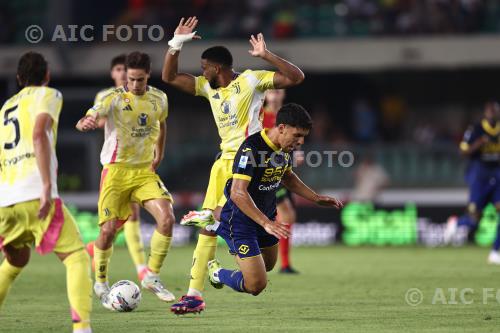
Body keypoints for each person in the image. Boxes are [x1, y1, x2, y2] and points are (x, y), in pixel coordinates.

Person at [162, 16, 305, 314]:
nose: (201, 73)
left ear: (217, 68)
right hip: (223, 164)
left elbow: (295, 77)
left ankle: (215, 227)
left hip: (250, 162)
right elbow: (170, 77)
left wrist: (266, 56)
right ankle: (194, 294)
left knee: (252, 250)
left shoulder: (251, 80)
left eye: (204, 68)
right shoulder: (208, 87)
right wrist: (175, 43)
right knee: (208, 231)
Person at [188, 103, 342, 296]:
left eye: (303, 136)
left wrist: (316, 198)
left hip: (265, 215)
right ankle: (217, 267)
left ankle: (216, 226)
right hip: (242, 219)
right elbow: (238, 192)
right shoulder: (251, 148)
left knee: (268, 264)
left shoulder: (284, 148)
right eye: (297, 135)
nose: (301, 141)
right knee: (256, 285)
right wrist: (265, 223)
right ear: (282, 128)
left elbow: (287, 176)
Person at [0, 52, 92, 333]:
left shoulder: (5, 108)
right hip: (33, 191)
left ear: (19, 79)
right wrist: (46, 186)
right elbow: (39, 133)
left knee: (16, 259)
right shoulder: (48, 95)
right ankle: (82, 328)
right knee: (77, 256)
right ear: (47, 75)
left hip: (6, 198)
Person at [76, 51, 176, 308]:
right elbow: (89, 117)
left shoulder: (159, 98)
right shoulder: (113, 98)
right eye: (130, 79)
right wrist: (85, 123)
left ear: (148, 76)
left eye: (139, 80)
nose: (133, 85)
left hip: (144, 172)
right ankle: (100, 280)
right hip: (116, 172)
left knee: (167, 218)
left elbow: (162, 124)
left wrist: (160, 152)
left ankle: (151, 276)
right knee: (108, 232)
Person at [85, 54, 148, 281]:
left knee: (131, 214)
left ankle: (141, 267)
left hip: (139, 164)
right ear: (113, 73)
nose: (122, 73)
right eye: (118, 69)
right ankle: (97, 249)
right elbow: (99, 119)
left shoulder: (145, 97)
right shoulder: (106, 96)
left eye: (125, 69)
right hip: (115, 163)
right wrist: (94, 119)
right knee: (116, 221)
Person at [448, 101, 500, 263]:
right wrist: (479, 144)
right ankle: (456, 223)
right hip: (480, 176)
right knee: (474, 220)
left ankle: (495, 252)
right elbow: (463, 151)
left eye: (495, 111)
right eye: (490, 111)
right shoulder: (476, 129)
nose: (493, 114)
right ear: (486, 112)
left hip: (497, 175)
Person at [262, 89, 303, 273]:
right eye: (271, 91)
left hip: (282, 169)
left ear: (284, 93)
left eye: (278, 91)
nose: (275, 95)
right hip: (266, 170)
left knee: (286, 215)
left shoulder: (287, 116)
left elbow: (296, 138)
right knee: (285, 213)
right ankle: (282, 264)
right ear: (265, 95)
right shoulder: (260, 115)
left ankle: (283, 263)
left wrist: (298, 151)